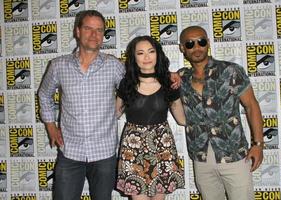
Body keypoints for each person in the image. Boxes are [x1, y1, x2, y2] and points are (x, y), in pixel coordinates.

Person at [38, 10, 125, 200]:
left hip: (104, 151)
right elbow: (44, 94)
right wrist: (51, 127)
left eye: (99, 30)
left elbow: (135, 90)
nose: (94, 34)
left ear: (103, 35)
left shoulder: (114, 66)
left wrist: (169, 76)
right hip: (70, 151)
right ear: (77, 31)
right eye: (88, 28)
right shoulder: (58, 65)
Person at [177, 26, 264, 200]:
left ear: (208, 43)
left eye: (201, 41)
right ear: (182, 48)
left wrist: (258, 144)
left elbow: (251, 106)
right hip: (201, 157)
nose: (196, 47)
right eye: (190, 43)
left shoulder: (231, 71)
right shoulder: (181, 78)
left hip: (234, 155)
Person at [115, 35, 185, 200]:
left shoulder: (170, 82)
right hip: (133, 149)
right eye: (140, 53)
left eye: (151, 51)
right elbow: (115, 113)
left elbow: (182, 119)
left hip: (162, 147)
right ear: (134, 58)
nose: (146, 57)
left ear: (158, 54)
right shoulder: (126, 84)